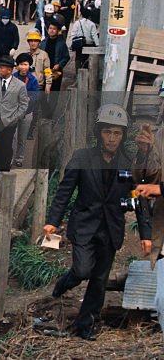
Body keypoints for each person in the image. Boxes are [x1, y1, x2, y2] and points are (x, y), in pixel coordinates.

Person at [45, 104, 151, 340]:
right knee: (82, 270)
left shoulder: (127, 165)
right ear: (98, 132)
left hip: (111, 229)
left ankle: (86, 325)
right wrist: (53, 221)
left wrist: (145, 235)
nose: (112, 138)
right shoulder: (82, 157)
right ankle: (65, 282)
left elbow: (140, 201)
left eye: (117, 133)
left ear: (123, 136)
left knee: (100, 279)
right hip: (84, 226)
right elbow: (65, 191)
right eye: (107, 132)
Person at [0, 58, 29, 173]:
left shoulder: (20, 85)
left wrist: (14, 119)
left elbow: (23, 106)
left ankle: (4, 169)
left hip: (9, 121)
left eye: (1, 68)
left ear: (9, 70)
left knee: (6, 146)